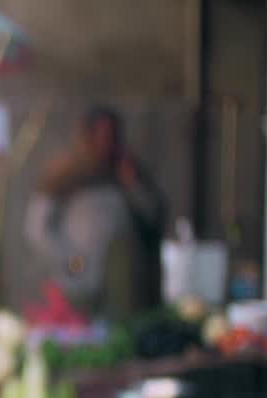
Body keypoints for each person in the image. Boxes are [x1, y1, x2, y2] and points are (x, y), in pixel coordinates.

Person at [25, 106, 167, 318]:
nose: (107, 142)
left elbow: (153, 215)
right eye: (102, 135)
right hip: (81, 278)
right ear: (88, 135)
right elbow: (36, 227)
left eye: (112, 135)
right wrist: (69, 260)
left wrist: (133, 185)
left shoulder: (127, 169)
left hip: (124, 279)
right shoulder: (65, 173)